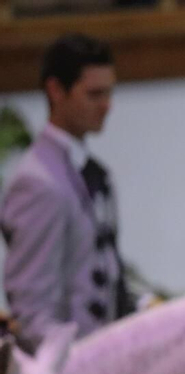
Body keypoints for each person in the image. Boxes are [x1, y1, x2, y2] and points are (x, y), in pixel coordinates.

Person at [0, 33, 129, 349]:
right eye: (94, 94)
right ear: (56, 90)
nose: (106, 106)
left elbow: (103, 278)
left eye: (109, 93)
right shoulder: (37, 182)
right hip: (71, 370)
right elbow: (32, 310)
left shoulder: (89, 170)